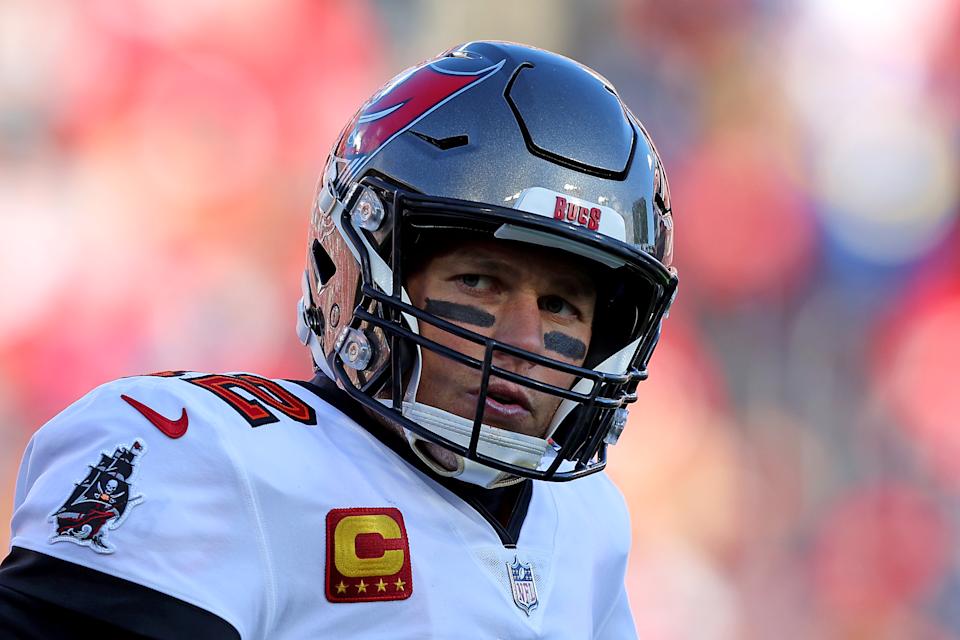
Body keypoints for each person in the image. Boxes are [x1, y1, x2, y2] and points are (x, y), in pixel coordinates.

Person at [0, 41, 677, 639]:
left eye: (560, 305)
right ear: (357, 266)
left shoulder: (585, 521)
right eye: (479, 282)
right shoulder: (210, 457)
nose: (525, 338)